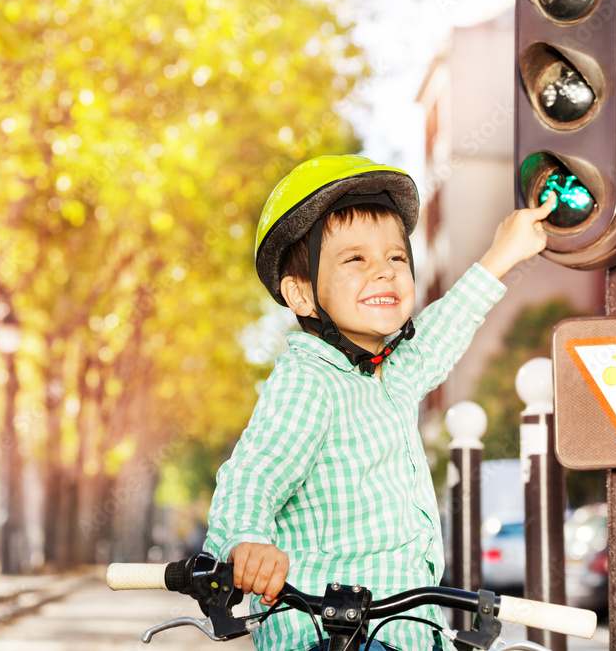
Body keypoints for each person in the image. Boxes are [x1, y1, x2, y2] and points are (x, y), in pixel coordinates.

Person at [203, 155, 555, 651]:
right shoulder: (310, 381)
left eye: (396, 257)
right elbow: (253, 474)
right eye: (355, 260)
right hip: (329, 636)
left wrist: (502, 254)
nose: (385, 273)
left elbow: (442, 330)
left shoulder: (389, 374)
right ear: (302, 296)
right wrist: (246, 541)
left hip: (406, 634)